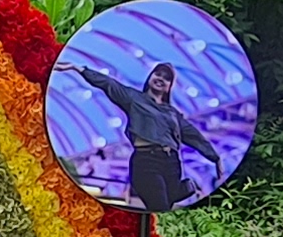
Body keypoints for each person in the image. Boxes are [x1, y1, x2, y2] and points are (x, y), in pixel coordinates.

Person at [60, 50, 216, 212]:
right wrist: (79, 69)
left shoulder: (172, 112)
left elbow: (193, 135)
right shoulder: (134, 98)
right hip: (147, 160)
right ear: (150, 77)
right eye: (158, 74)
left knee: (166, 205)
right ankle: (180, 191)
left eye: (167, 78)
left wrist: (214, 157)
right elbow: (109, 84)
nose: (161, 79)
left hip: (172, 162)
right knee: (160, 205)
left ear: (170, 86)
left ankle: (180, 190)